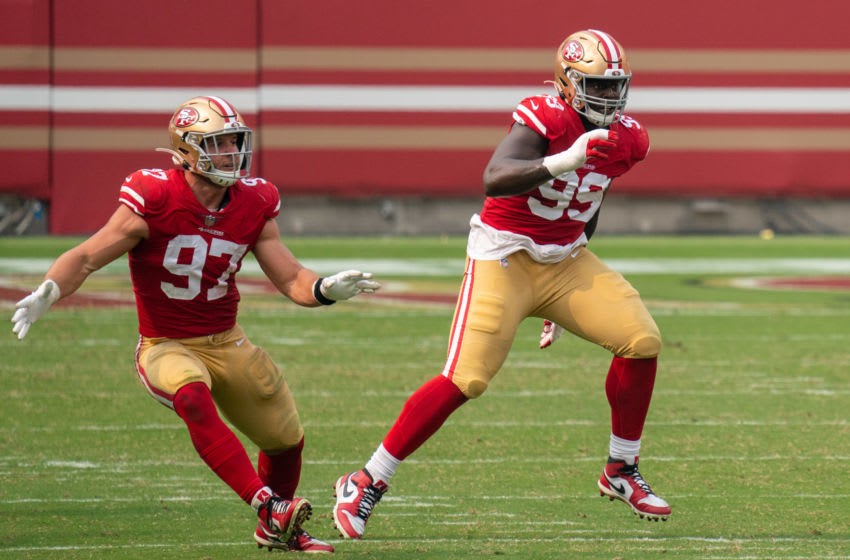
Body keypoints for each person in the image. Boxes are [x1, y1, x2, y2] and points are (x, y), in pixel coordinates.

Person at [332, 29, 670, 540]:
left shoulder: (630, 139)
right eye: (596, 87)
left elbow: (590, 201)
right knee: (466, 379)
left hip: (565, 258)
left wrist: (565, 295)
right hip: (504, 255)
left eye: (614, 86)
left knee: (641, 340)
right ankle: (366, 479)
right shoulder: (546, 117)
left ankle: (620, 469)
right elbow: (495, 176)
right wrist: (564, 159)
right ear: (567, 83)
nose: (607, 97)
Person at [11, 95, 382, 553]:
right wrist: (51, 288)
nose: (231, 153)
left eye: (234, 142)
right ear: (185, 151)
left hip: (226, 340)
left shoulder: (255, 201)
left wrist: (324, 288)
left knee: (285, 439)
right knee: (191, 392)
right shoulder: (155, 196)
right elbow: (87, 256)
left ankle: (277, 528)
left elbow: (290, 278)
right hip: (165, 344)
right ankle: (267, 505)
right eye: (219, 143)